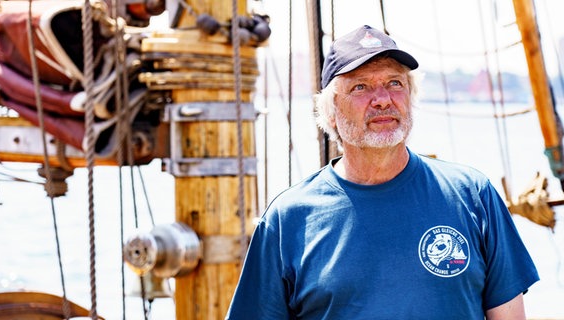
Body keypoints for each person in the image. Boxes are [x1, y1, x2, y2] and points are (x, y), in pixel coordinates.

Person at [226, 25, 539, 319]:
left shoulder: (473, 195)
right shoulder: (287, 219)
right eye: (361, 87)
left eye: (394, 83)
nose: (382, 100)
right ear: (331, 113)